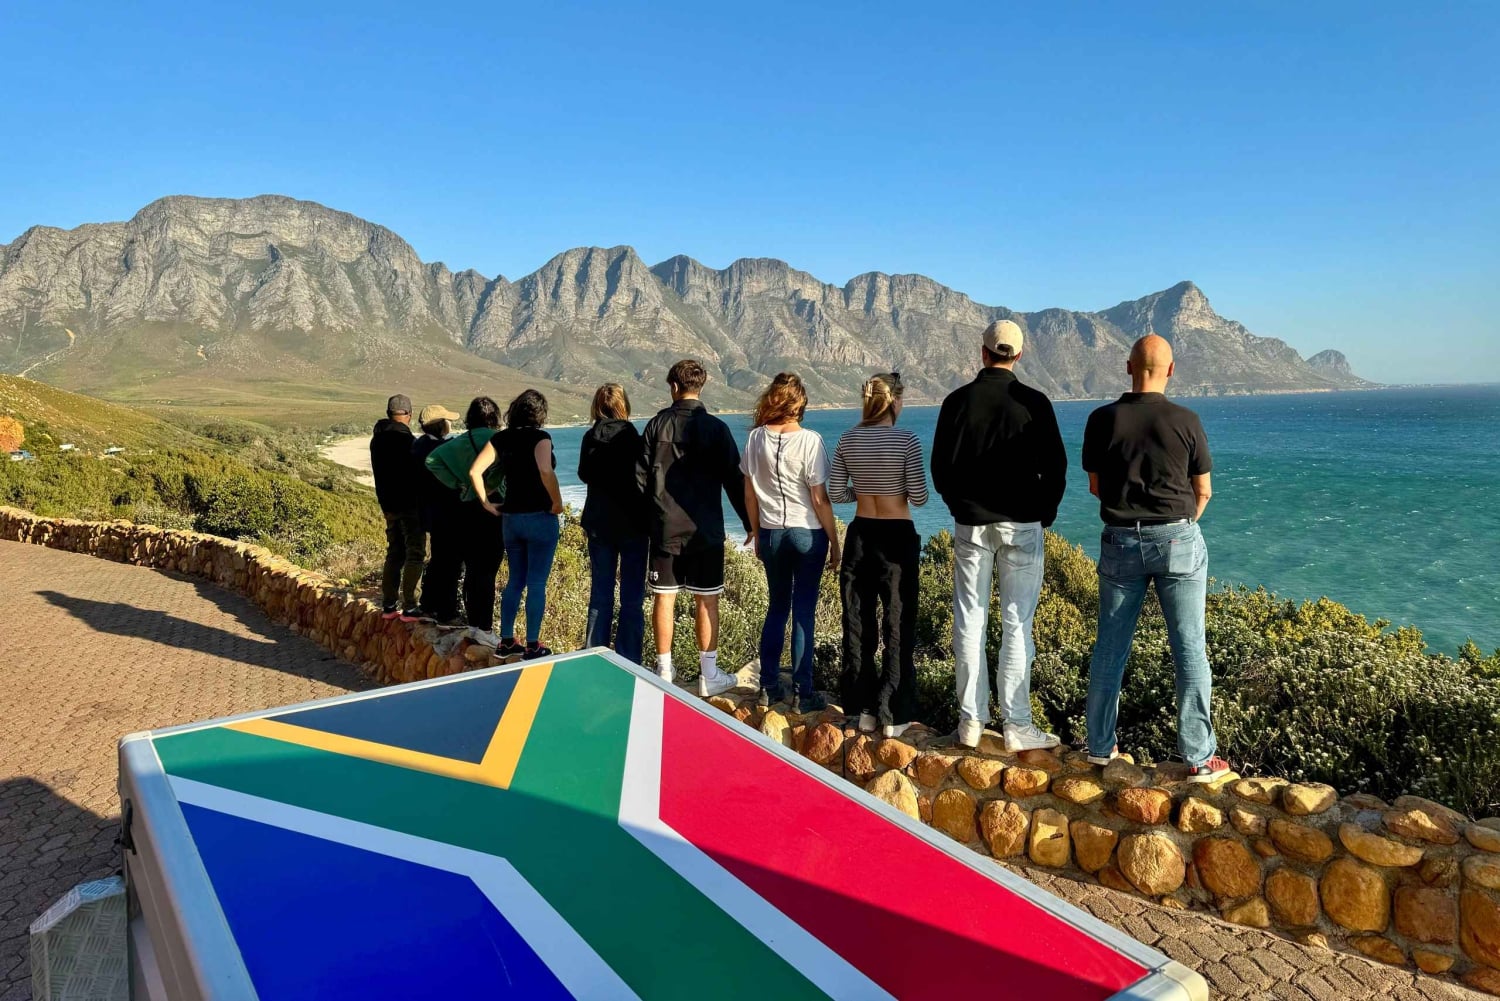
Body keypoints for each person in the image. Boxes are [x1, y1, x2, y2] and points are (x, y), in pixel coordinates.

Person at [1081, 334, 1231, 783]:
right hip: (1177, 540)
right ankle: (1200, 758)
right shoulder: (1186, 420)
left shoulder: (1100, 419)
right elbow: (1203, 489)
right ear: (1171, 369)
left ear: (1128, 367)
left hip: (1120, 540)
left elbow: (1095, 486)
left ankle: (1100, 748)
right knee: (1189, 649)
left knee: (1110, 647)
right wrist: (1179, 525)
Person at [932, 319, 1068, 751]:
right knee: (1017, 624)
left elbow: (940, 468)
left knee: (969, 621)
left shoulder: (956, 401)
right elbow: (1058, 467)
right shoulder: (1034, 402)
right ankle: (1018, 725)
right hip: (1022, 525)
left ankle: (970, 722)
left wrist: (960, 507)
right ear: (1019, 355)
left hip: (971, 525)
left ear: (983, 352)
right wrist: (1043, 513)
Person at [638, 359, 752, 696]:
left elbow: (639, 480)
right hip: (706, 530)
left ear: (674, 386)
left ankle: (663, 670)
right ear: (700, 387)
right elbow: (735, 480)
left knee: (664, 599)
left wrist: (649, 521)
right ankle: (709, 674)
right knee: (708, 601)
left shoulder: (655, 426)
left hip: (664, 528)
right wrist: (750, 524)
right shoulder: (717, 430)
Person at [828, 373, 927, 737]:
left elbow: (837, 492)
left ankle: (864, 708)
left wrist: (864, 489)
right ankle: (894, 714)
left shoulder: (848, 439)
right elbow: (919, 497)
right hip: (896, 537)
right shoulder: (907, 440)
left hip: (860, 534)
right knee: (898, 624)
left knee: (858, 623)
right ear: (895, 402)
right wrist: (891, 488)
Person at [742, 373, 840, 713]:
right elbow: (820, 499)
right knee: (803, 612)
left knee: (777, 607)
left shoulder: (755, 439)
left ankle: (767, 686)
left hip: (771, 533)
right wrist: (835, 542)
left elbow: (749, 494)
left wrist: (755, 532)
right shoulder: (810, 441)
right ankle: (803, 692)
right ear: (800, 405)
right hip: (806, 534)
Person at [469, 390, 563, 661]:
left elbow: (475, 471)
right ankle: (533, 645)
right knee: (536, 582)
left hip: (511, 520)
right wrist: (556, 503)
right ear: (540, 413)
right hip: (539, 517)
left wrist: (487, 503)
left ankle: (506, 641)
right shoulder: (541, 437)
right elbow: (546, 470)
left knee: (514, 581)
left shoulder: (501, 438)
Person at [424, 397, 505, 641]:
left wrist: (458, 484)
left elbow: (432, 460)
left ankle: (472, 624)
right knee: (488, 570)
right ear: (494, 417)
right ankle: (485, 627)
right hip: (492, 509)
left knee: (471, 568)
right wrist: (489, 488)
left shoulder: (460, 441)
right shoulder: (496, 440)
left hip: (465, 509)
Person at [579, 383, 649, 663]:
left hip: (599, 523)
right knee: (632, 597)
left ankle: (595, 655)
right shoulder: (635, 438)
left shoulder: (589, 438)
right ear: (624, 405)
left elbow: (585, 474)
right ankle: (630, 659)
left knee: (600, 593)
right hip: (633, 524)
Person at [369, 393, 426, 622]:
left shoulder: (377, 440)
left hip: (388, 505)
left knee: (394, 553)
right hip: (410, 506)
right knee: (415, 553)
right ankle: (411, 605)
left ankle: (389, 604)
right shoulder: (407, 441)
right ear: (409, 415)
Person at [411, 403, 462, 625]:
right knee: (449, 562)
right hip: (445, 512)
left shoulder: (417, 446)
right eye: (447, 421)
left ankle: (429, 605)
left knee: (438, 559)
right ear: (441, 425)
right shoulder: (440, 451)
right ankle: (447, 612)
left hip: (428, 512)